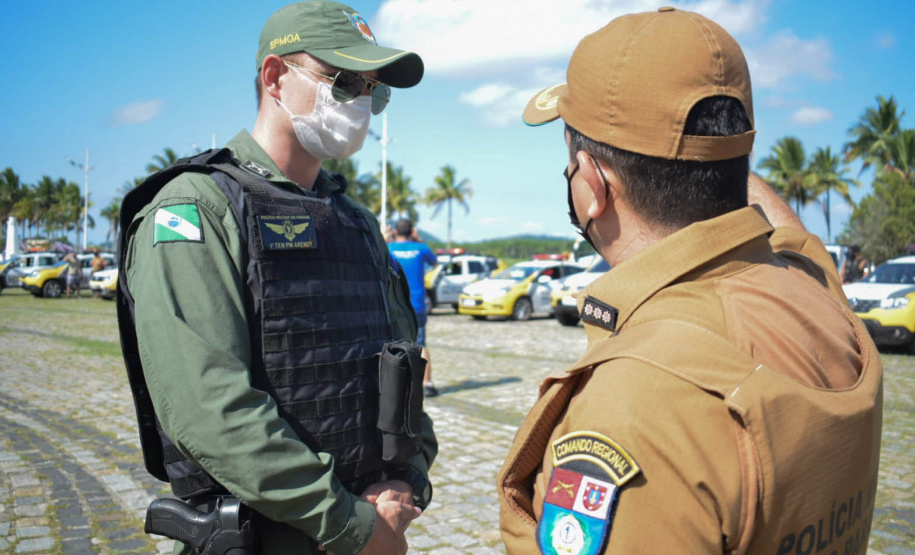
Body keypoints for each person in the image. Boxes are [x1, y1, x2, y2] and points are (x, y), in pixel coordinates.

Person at [498, 8, 882, 554]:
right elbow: (792, 236)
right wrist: (705, 151)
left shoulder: (636, 403)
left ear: (590, 186)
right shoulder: (815, 292)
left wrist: (687, 148)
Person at [116, 3, 436, 555]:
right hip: (262, 537)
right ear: (274, 77)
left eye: (372, 89)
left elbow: (403, 363)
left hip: (366, 518)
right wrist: (351, 525)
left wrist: (407, 477)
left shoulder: (356, 222)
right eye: (343, 81)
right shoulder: (197, 209)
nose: (361, 101)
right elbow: (208, 404)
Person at [387, 219, 439, 397]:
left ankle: (398, 386)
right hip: (417, 304)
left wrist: (385, 238)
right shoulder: (421, 249)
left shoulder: (388, 248)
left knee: (394, 345)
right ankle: (428, 384)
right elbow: (434, 263)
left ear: (395, 232)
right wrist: (418, 240)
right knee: (421, 344)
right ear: (412, 231)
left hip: (394, 304)